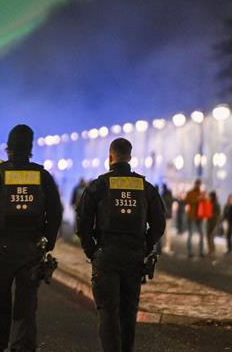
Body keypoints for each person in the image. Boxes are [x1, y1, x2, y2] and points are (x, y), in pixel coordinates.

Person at [0, 124, 63, 352]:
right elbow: (55, 211)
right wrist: (48, 241)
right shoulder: (42, 176)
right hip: (32, 248)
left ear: (8, 147)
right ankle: (22, 345)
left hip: (1, 247)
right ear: (30, 147)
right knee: (26, 303)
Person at [76, 138, 165, 352]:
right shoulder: (145, 187)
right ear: (130, 157)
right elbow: (159, 223)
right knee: (128, 313)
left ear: (110, 157)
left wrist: (92, 251)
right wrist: (145, 246)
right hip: (134, 257)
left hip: (106, 255)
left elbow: (83, 221)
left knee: (108, 313)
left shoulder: (98, 185)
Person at [184, 179, 205, 258]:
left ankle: (201, 252)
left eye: (199, 184)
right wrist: (197, 199)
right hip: (192, 216)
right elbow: (187, 201)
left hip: (200, 217)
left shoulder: (202, 193)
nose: (198, 186)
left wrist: (204, 198)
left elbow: (204, 203)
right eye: (197, 184)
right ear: (195, 184)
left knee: (201, 235)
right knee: (190, 234)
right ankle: (189, 252)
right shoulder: (190, 192)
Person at [158, 183, 175, 254]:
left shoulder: (163, 196)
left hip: (164, 215)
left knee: (164, 232)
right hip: (169, 216)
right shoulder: (170, 197)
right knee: (168, 232)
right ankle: (167, 246)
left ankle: (166, 247)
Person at [205, 191, 221, 257]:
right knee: (208, 236)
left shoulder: (216, 203)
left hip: (214, 222)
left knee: (211, 237)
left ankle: (212, 251)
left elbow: (218, 214)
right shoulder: (210, 202)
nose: (209, 197)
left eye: (210, 196)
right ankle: (210, 250)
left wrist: (212, 215)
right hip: (209, 222)